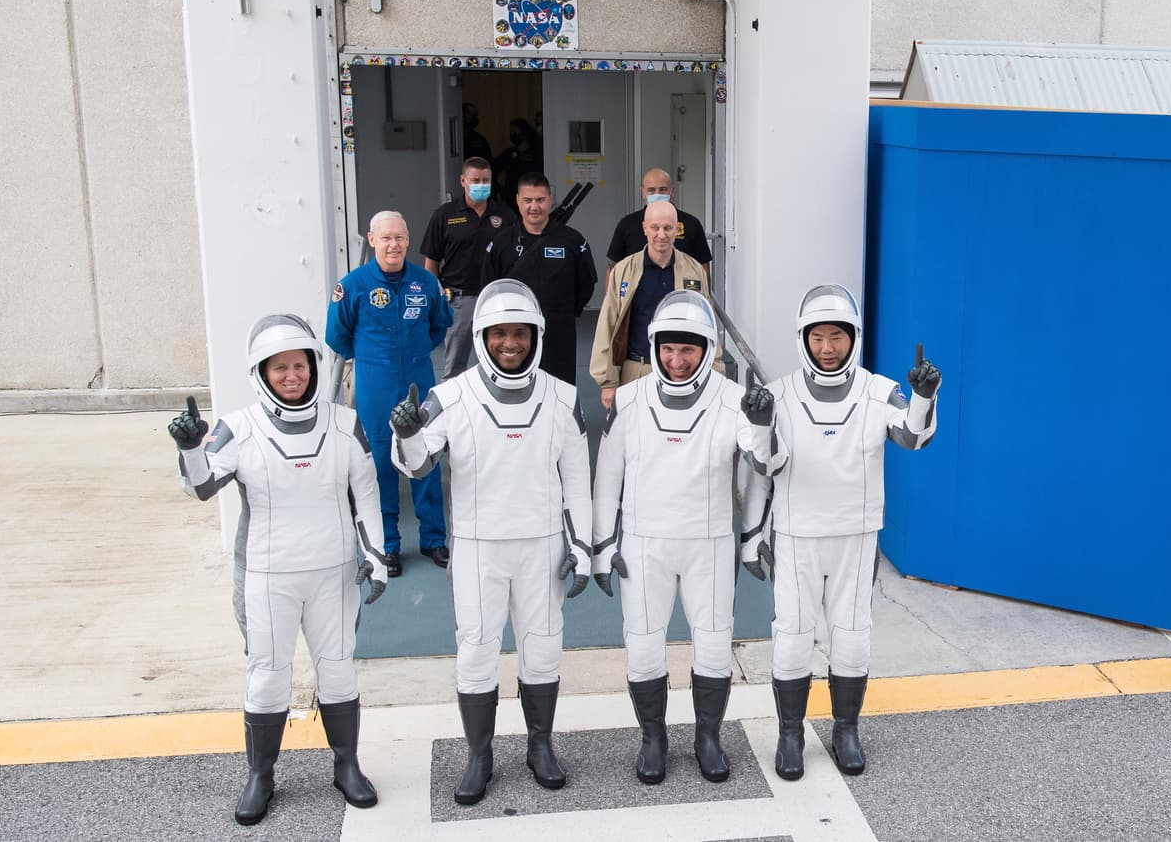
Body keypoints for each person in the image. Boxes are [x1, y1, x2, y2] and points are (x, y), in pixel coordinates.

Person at [168, 314, 389, 826]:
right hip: (269, 574)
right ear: (261, 373)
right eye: (279, 368)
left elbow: (368, 493)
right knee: (267, 678)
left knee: (337, 669)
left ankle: (347, 764)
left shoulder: (344, 421)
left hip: (333, 570)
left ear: (314, 366)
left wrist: (374, 555)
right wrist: (189, 449)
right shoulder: (237, 428)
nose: (292, 376)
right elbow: (201, 487)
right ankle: (261, 775)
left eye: (300, 365)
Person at [389, 279, 592, 805]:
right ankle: (480, 755)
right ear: (480, 335)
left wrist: (584, 546)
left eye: (519, 333)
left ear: (535, 335)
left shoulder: (562, 397)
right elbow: (417, 463)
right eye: (499, 332)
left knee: (543, 651)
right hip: (479, 546)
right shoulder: (448, 396)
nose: (510, 343)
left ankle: (540, 745)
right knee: (476, 652)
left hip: (543, 545)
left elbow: (578, 480)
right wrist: (407, 434)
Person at [739, 283, 940, 782]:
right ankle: (790, 733)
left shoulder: (879, 390)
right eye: (818, 337)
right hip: (798, 534)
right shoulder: (778, 393)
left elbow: (913, 438)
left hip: (856, 534)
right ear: (803, 339)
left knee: (852, 636)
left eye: (838, 337)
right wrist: (761, 423)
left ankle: (845, 728)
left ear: (854, 337)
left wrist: (922, 397)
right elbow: (764, 464)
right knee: (791, 637)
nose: (827, 348)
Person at [591, 290, 775, 786]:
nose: (676, 360)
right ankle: (653, 737)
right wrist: (603, 546)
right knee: (644, 648)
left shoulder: (734, 399)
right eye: (668, 348)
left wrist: (752, 533)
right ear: (653, 347)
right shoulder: (628, 399)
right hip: (644, 545)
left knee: (713, 647)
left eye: (688, 349)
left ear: (707, 348)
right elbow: (607, 476)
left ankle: (707, 737)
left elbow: (764, 466)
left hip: (710, 544)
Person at [326, 211, 454, 572]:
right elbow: (337, 336)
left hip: (417, 378)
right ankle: (389, 545)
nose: (393, 245)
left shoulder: (425, 283)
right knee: (380, 464)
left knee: (425, 458)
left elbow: (438, 327)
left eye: (399, 237)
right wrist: (373, 359)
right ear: (371, 240)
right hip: (375, 383)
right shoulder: (352, 286)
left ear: (408, 240)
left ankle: (433, 540)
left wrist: (410, 356)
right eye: (386, 238)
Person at [590, 200, 724, 410]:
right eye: (655, 227)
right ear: (644, 228)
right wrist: (608, 383)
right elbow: (607, 325)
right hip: (636, 369)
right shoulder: (623, 271)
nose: (661, 234)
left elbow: (708, 325)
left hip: (681, 373)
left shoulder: (695, 271)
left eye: (668, 228)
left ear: (677, 229)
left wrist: (715, 371)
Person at [482, 173, 597, 387]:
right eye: (527, 200)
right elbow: (489, 287)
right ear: (517, 200)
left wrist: (563, 311)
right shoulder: (501, 242)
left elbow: (586, 284)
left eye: (540, 200)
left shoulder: (572, 240)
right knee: (516, 385)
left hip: (558, 330)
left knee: (559, 386)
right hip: (514, 333)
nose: (534, 207)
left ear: (550, 199)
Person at [420, 157, 518, 380]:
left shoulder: (505, 216)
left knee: (501, 363)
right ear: (463, 181)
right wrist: (434, 302)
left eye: (486, 180)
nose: (481, 185)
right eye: (475, 180)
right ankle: (453, 413)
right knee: (454, 368)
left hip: (495, 300)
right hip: (458, 301)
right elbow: (431, 263)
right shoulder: (444, 215)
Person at [605, 168, 712, 283]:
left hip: (679, 296)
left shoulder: (691, 224)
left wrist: (703, 298)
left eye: (663, 189)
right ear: (643, 192)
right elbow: (613, 268)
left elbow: (703, 267)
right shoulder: (627, 224)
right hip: (637, 295)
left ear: (671, 191)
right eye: (651, 190)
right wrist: (611, 299)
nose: (657, 194)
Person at [492, 117, 543, 216]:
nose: (512, 135)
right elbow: (492, 169)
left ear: (524, 133)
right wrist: (499, 190)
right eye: (511, 132)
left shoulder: (537, 153)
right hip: (511, 199)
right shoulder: (510, 153)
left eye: (515, 132)